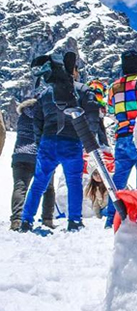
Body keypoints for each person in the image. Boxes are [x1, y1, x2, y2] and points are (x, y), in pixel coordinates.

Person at [20, 51, 99, 232]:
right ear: (74, 71)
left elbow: (37, 120)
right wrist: (89, 138)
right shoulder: (82, 89)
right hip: (72, 141)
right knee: (73, 182)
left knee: (39, 182)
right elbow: (93, 117)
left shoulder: (45, 93)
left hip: (48, 141)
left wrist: (40, 141)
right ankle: (74, 220)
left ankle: (26, 220)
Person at [104, 50, 137, 228]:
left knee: (119, 179)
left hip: (122, 136)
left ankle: (111, 218)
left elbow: (110, 108)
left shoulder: (114, 86)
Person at [10, 93, 56, 231]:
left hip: (20, 155)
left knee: (20, 187)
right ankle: (47, 218)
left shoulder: (22, 116)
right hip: (40, 155)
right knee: (48, 188)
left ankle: (17, 219)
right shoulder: (44, 115)